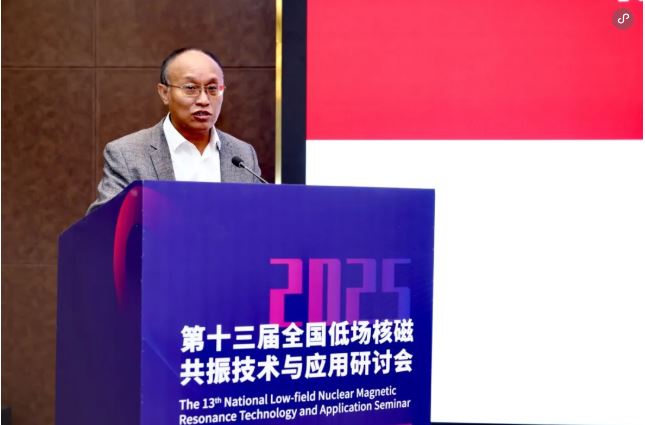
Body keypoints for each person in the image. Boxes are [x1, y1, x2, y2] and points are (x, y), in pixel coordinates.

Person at [87, 47, 262, 214]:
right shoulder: (127, 154)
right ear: (164, 93)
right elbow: (102, 224)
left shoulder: (243, 155)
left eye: (212, 88)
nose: (203, 100)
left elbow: (260, 219)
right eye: (190, 88)